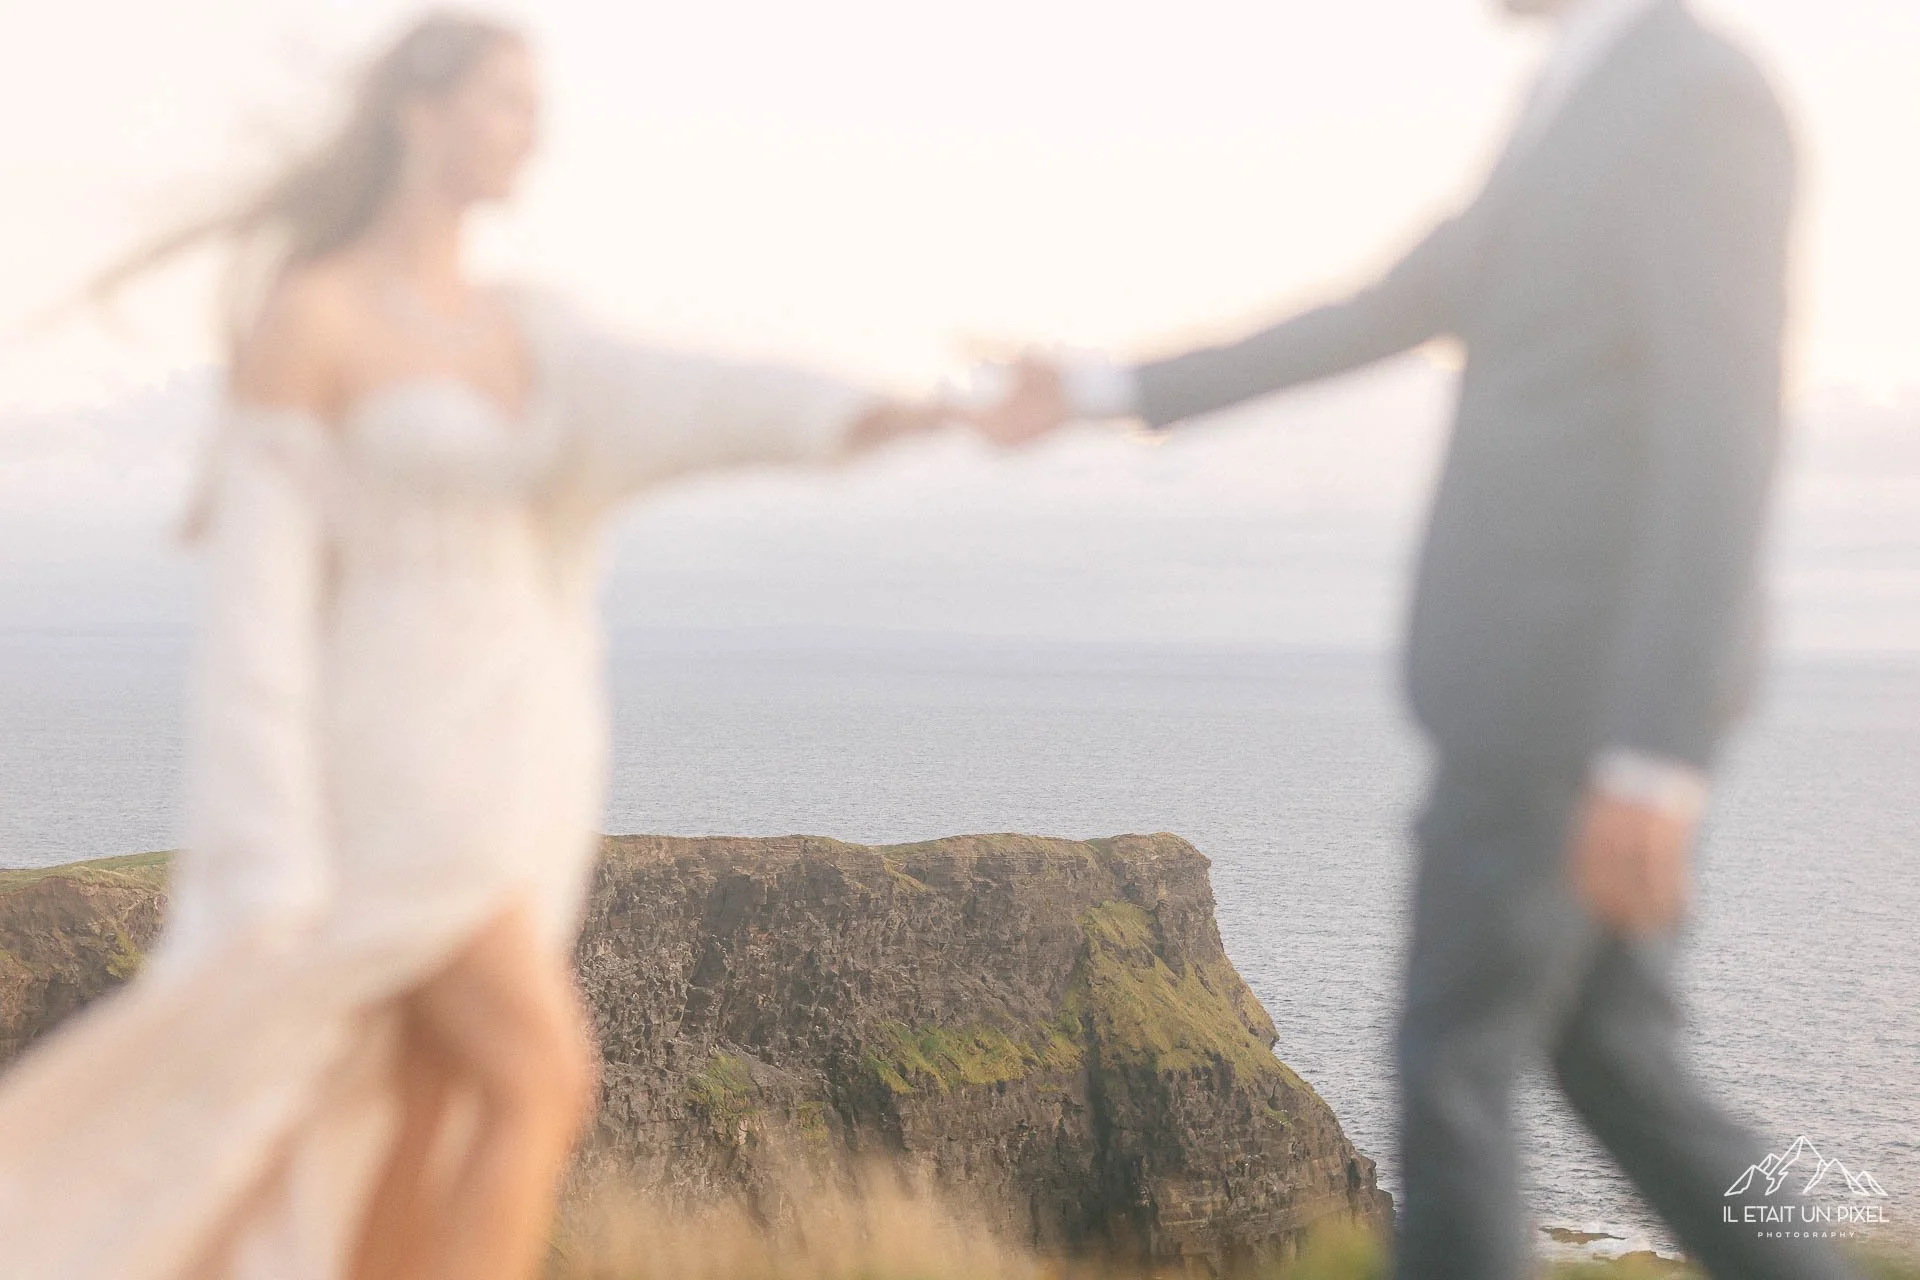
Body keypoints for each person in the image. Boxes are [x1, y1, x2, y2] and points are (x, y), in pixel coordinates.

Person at [0, 13, 1030, 1280]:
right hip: (390, 760)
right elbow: (254, 625)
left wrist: (895, 412)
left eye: (536, 112)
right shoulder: (313, 320)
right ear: (415, 113)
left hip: (520, 760)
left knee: (426, 1107)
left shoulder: (531, 329)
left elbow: (701, 396)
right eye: (504, 104)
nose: (528, 136)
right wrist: (265, 851)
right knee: (543, 1075)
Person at [974, 2, 1865, 1278]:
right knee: (1614, 1063)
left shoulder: (1697, 95)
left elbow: (1726, 429)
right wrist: (1105, 389)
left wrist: (1653, 756)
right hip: (1555, 700)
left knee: (1455, 1062)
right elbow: (1383, 309)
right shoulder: (1579, 92)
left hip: (1568, 701)